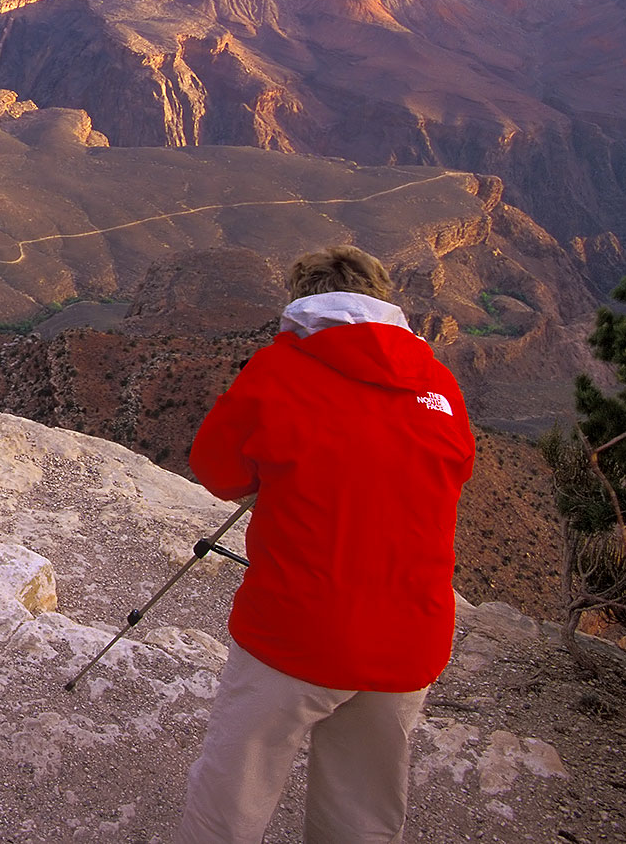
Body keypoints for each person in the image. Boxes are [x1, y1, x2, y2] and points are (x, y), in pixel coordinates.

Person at [177, 244, 475, 843]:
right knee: (363, 812)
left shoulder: (277, 370)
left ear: (301, 300)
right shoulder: (439, 384)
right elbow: (456, 470)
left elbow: (217, 471)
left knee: (234, 792)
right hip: (408, 637)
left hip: (296, 631)